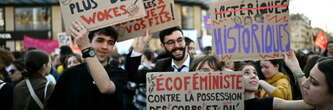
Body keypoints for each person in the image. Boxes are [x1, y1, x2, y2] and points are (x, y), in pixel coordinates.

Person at [47, 21, 130, 110]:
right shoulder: (69, 73)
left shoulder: (119, 73)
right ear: (89, 42)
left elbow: (106, 88)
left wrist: (86, 49)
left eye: (110, 42)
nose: (105, 46)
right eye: (100, 40)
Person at [240, 62, 313, 110]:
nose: (253, 76)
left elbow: (309, 104)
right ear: (236, 78)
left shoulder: (268, 103)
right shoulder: (230, 104)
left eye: (255, 73)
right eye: (246, 73)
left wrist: (297, 69)